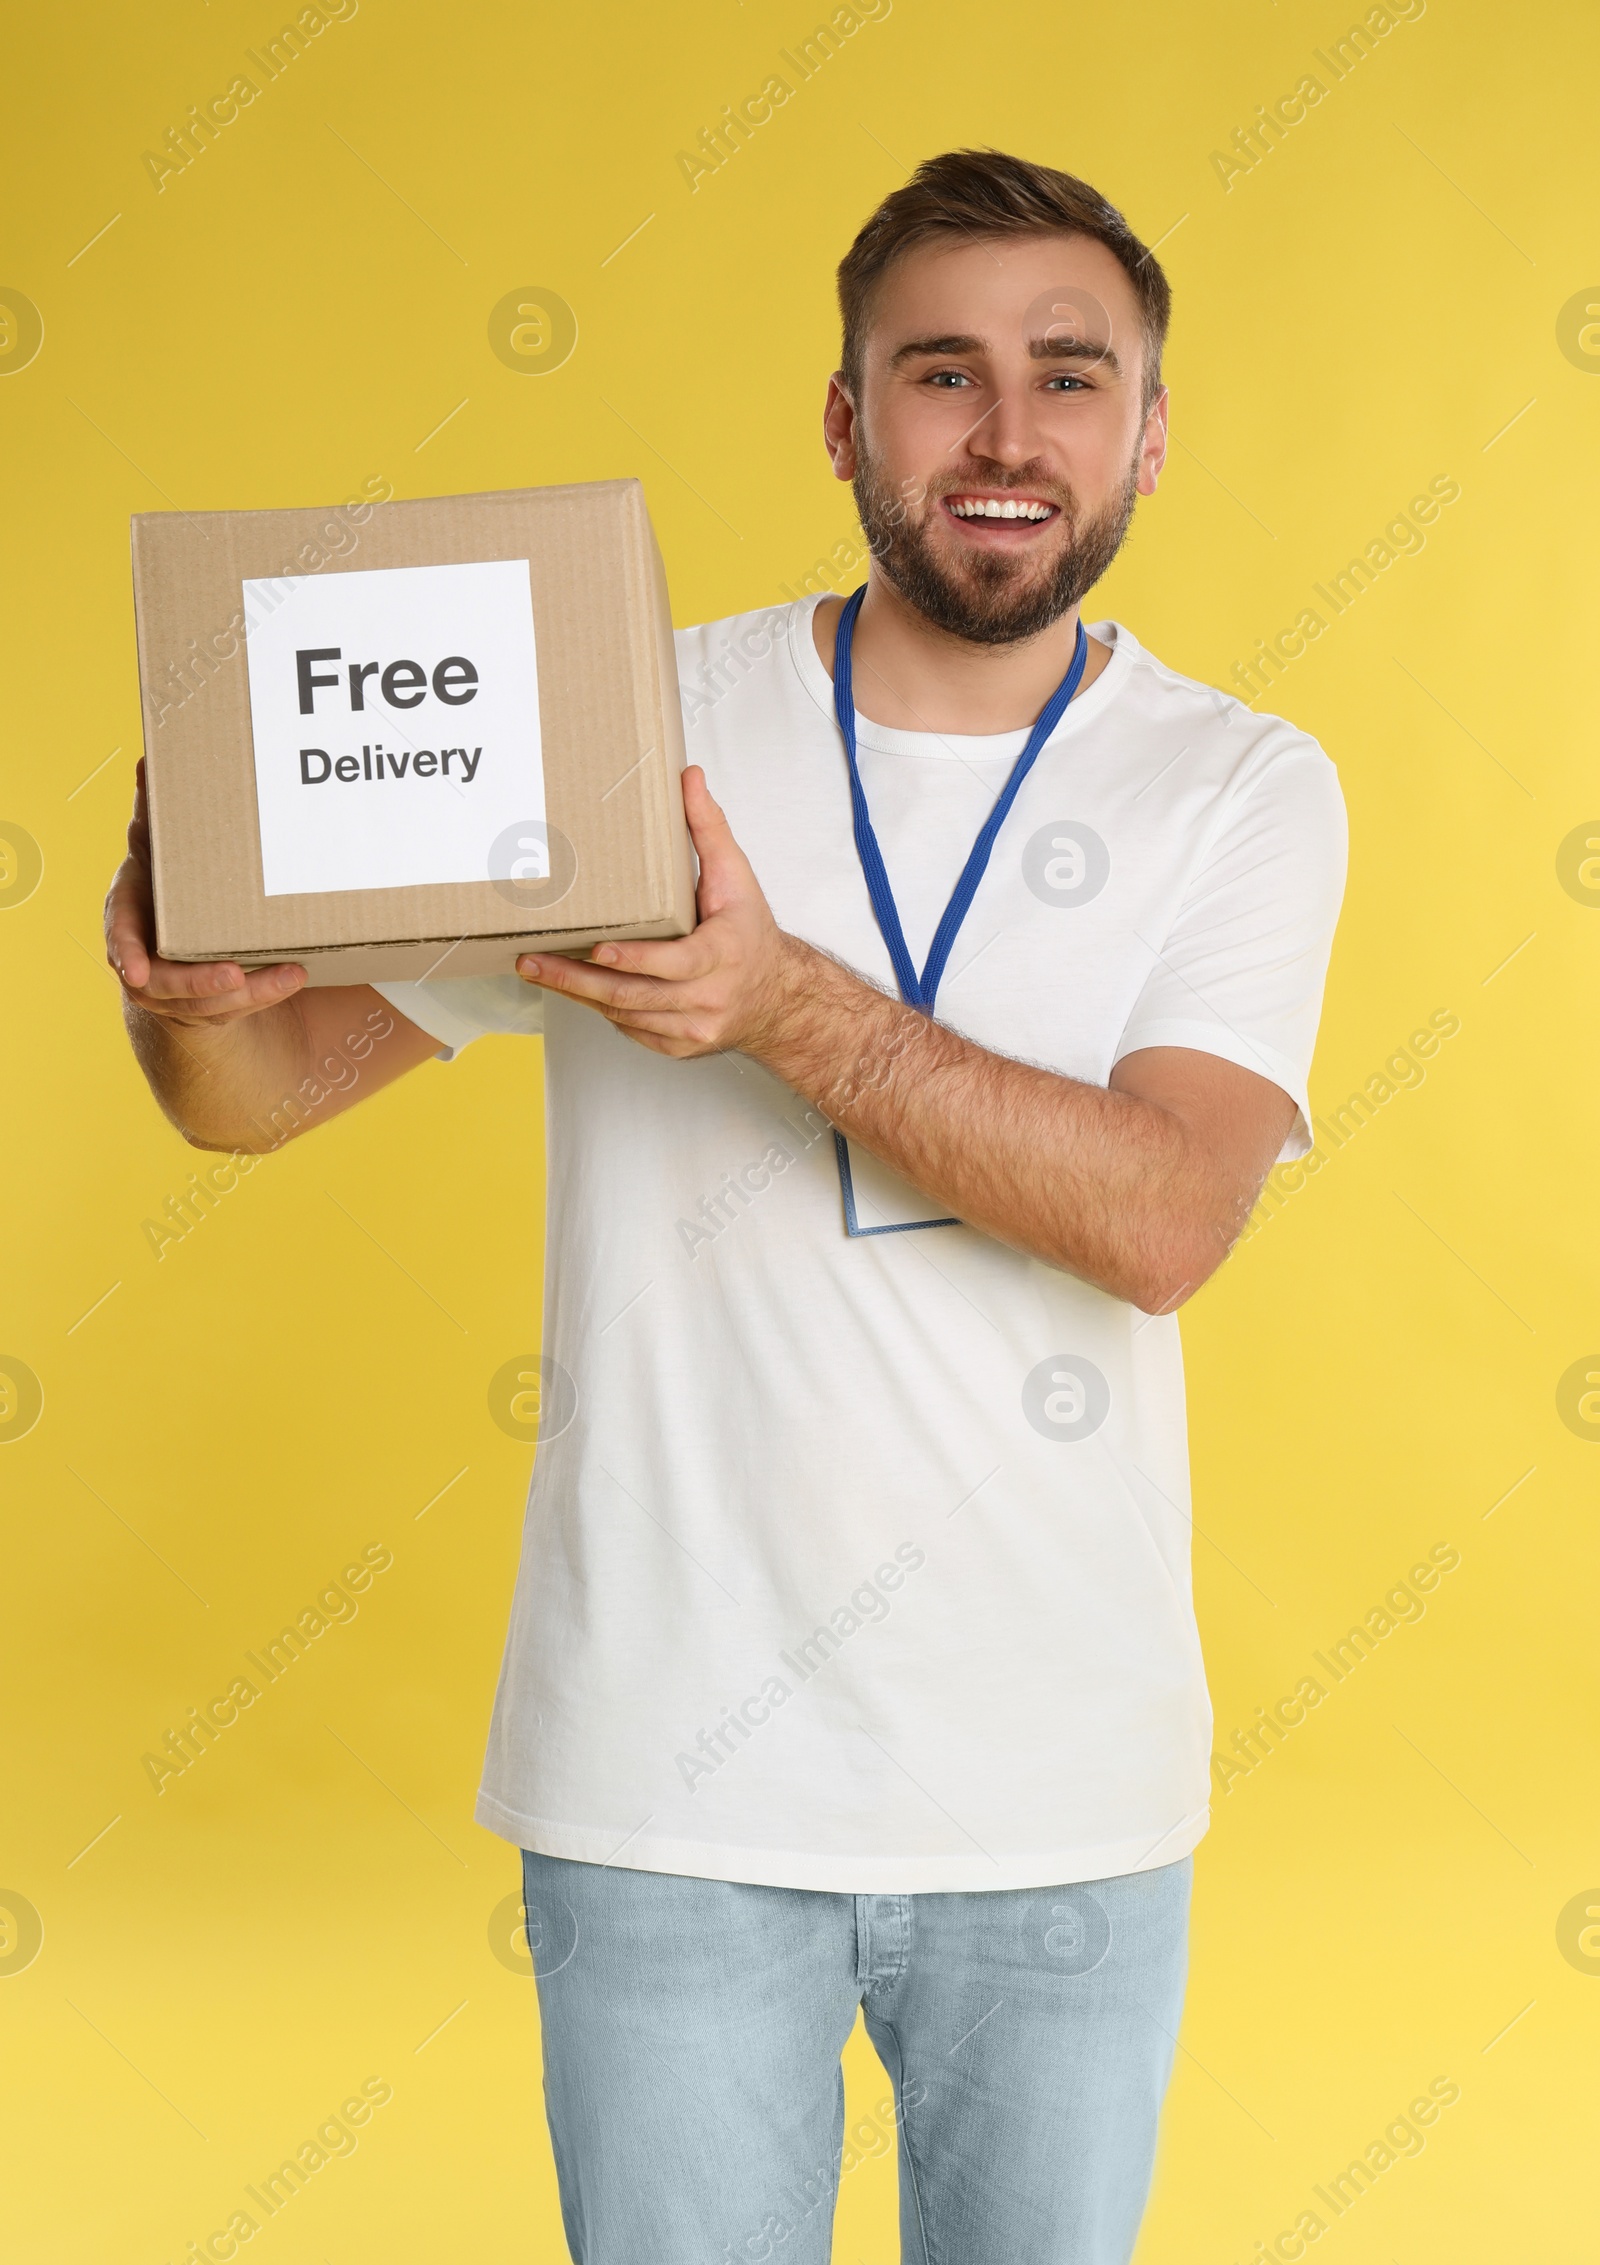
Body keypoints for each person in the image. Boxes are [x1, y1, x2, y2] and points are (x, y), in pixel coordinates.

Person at [109, 149, 1346, 2265]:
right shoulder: (634, 721)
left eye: (1067, 374)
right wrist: (184, 996)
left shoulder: (1239, 784)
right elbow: (255, 1098)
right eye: (936, 373)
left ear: (1146, 428)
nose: (1004, 432)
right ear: (845, 421)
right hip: (658, 1779)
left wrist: (776, 1003)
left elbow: (1159, 1220)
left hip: (1059, 1789)